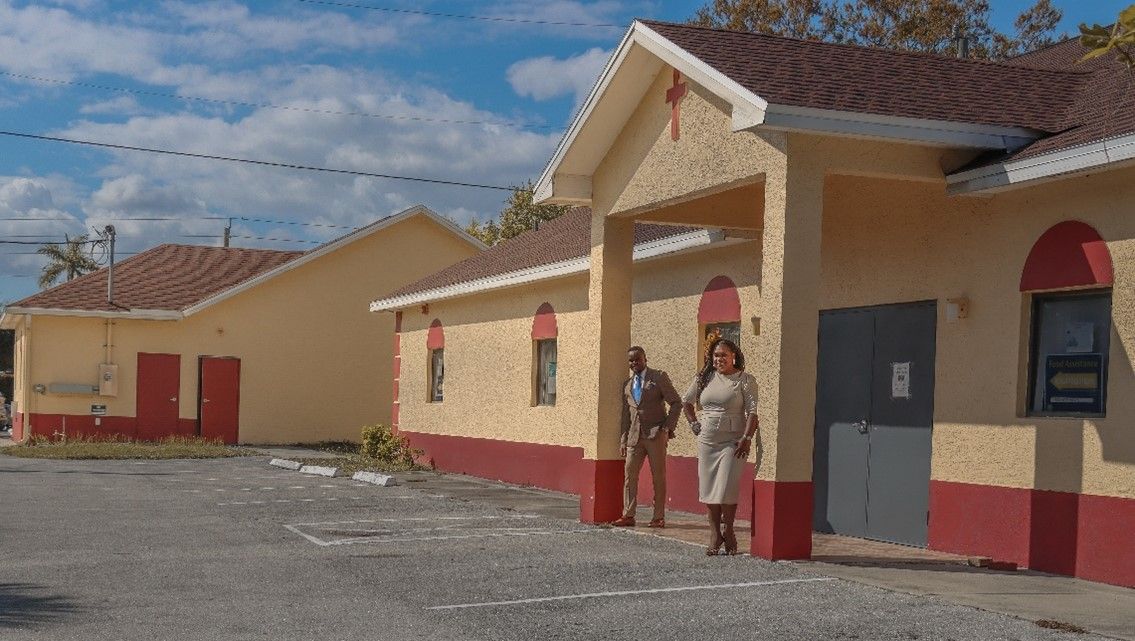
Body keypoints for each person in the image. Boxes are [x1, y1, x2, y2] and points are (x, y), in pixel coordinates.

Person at [682, 338, 759, 555]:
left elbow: (752, 412)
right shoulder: (704, 378)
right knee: (709, 488)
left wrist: (747, 437)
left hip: (734, 441)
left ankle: (730, 528)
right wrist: (694, 423)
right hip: (708, 440)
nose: (719, 359)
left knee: (726, 486)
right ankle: (715, 533)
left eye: (724, 355)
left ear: (733, 355)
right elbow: (686, 402)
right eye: (716, 355)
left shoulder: (745, 380)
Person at [612, 346, 682, 528]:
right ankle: (628, 515)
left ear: (645, 359)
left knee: (658, 476)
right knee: (629, 475)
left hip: (655, 434)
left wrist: (667, 428)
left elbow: (676, 402)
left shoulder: (658, 378)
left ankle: (658, 516)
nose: (634, 363)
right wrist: (623, 440)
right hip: (634, 437)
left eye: (638, 359)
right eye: (631, 361)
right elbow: (626, 415)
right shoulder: (627, 385)